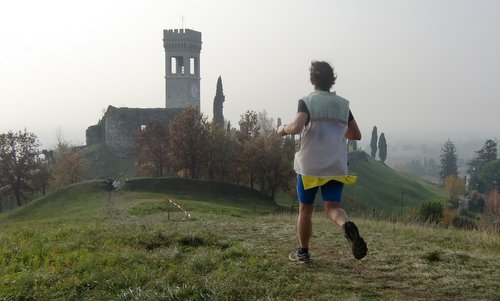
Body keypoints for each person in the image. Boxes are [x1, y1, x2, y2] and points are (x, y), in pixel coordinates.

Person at [277, 61, 367, 263]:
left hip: (309, 167)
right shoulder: (344, 105)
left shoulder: (307, 101)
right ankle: (346, 226)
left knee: (305, 210)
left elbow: (297, 127)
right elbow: (356, 134)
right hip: (335, 165)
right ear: (331, 80)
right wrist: (335, 131)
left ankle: (304, 252)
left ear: (312, 79)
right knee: (333, 207)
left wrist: (282, 129)